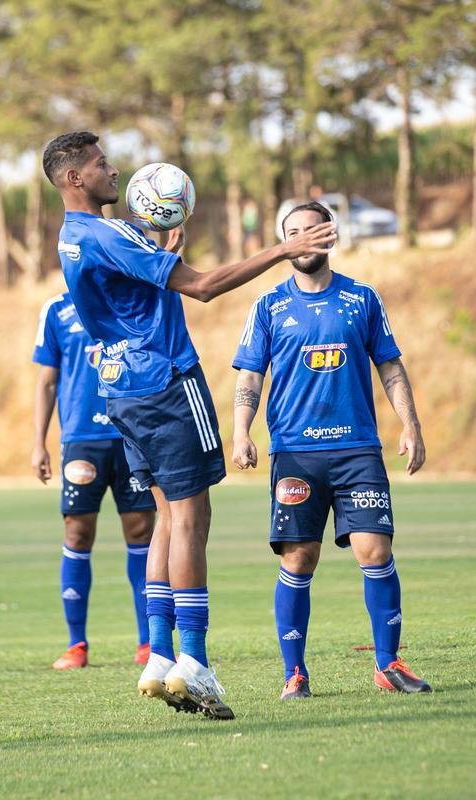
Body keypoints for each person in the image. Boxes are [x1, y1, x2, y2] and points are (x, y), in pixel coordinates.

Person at [41, 131, 336, 720]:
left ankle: (159, 656)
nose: (113, 170)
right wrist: (282, 250)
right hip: (168, 384)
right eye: (101, 164)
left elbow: (141, 287)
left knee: (165, 522)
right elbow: (201, 287)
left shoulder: (73, 238)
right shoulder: (108, 232)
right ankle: (194, 663)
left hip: (123, 389)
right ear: (74, 178)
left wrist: (161, 251)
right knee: (191, 518)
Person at [231, 201, 431, 699]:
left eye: (309, 230)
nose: (300, 240)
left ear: (328, 235)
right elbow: (250, 375)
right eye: (290, 233)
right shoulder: (268, 305)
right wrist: (241, 431)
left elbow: (389, 365)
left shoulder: (362, 299)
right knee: (299, 559)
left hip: (358, 450)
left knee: (375, 549)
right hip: (295, 453)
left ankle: (388, 664)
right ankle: (293, 673)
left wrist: (410, 423)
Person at [32, 291, 155, 670]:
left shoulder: (135, 297)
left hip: (130, 434)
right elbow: (47, 381)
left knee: (141, 532)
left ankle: (148, 643)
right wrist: (39, 443)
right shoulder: (56, 309)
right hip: (81, 440)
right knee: (77, 533)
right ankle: (76, 645)